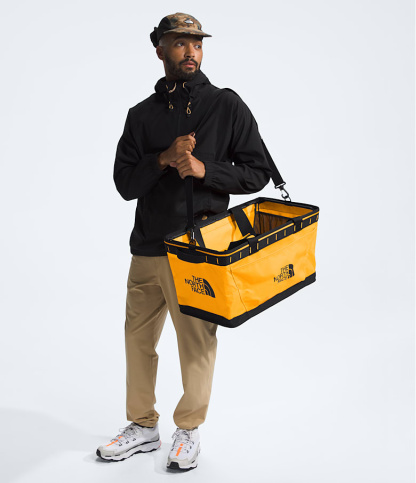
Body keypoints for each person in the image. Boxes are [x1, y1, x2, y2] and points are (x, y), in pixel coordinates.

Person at [96, 12, 272, 471]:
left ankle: (188, 429)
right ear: (159, 49)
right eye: (180, 43)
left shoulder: (226, 105)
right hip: (146, 248)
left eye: (197, 43)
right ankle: (142, 426)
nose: (191, 51)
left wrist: (204, 169)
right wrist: (163, 159)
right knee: (137, 342)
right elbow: (124, 184)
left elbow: (258, 172)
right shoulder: (141, 115)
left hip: (199, 250)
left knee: (196, 343)